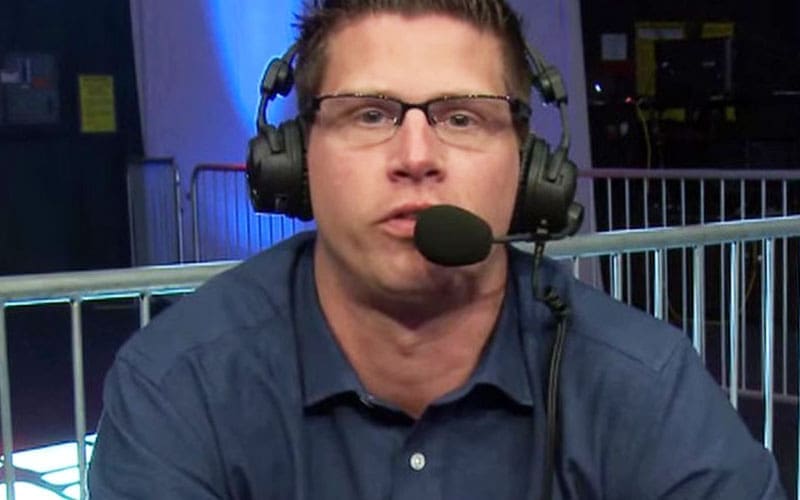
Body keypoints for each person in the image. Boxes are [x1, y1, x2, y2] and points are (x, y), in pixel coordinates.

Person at [88, 1, 786, 498]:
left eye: (461, 117)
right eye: (370, 114)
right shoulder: (179, 385)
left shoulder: (641, 381)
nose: (416, 156)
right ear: (295, 161)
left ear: (529, 167)